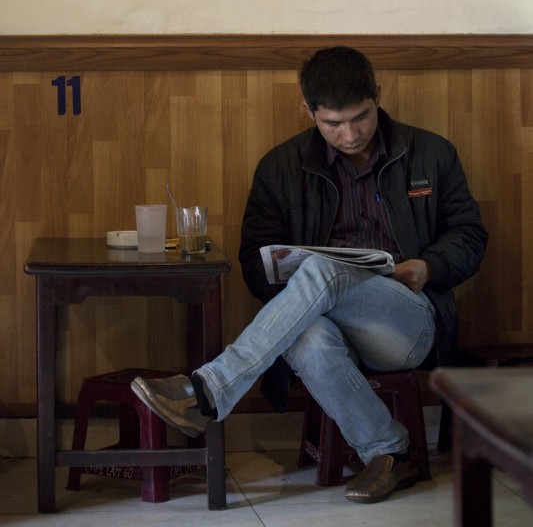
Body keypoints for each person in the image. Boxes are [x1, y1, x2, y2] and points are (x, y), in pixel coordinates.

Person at [131, 46, 488, 504]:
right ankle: (390, 451)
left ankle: (209, 388)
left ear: (377, 95)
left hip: (407, 320)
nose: (350, 134)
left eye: (360, 117)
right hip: (319, 318)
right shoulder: (281, 167)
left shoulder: (431, 153)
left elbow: (470, 235)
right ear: (308, 111)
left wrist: (428, 266)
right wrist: (291, 279)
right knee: (305, 332)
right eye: (332, 123)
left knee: (323, 270)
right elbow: (254, 261)